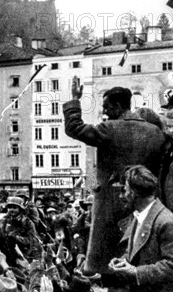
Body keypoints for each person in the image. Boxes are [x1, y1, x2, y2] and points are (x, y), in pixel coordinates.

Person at [63, 78, 165, 273]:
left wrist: (75, 100)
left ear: (118, 106)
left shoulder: (110, 129)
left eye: (107, 107)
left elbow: (74, 128)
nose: (105, 112)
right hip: (146, 202)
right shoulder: (155, 132)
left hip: (112, 204)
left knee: (110, 262)